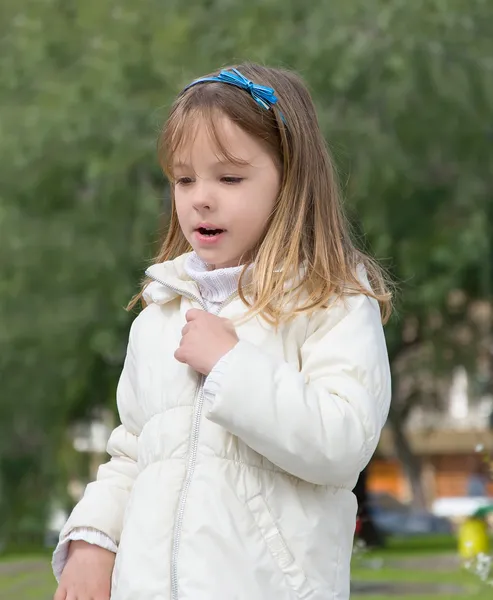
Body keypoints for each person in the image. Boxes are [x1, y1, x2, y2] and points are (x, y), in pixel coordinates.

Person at [53, 63, 392, 600]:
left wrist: (233, 367)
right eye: (184, 179)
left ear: (292, 180)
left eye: (229, 178)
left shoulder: (330, 297)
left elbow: (344, 439)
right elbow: (134, 452)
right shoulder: (157, 318)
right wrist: (94, 541)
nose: (200, 198)